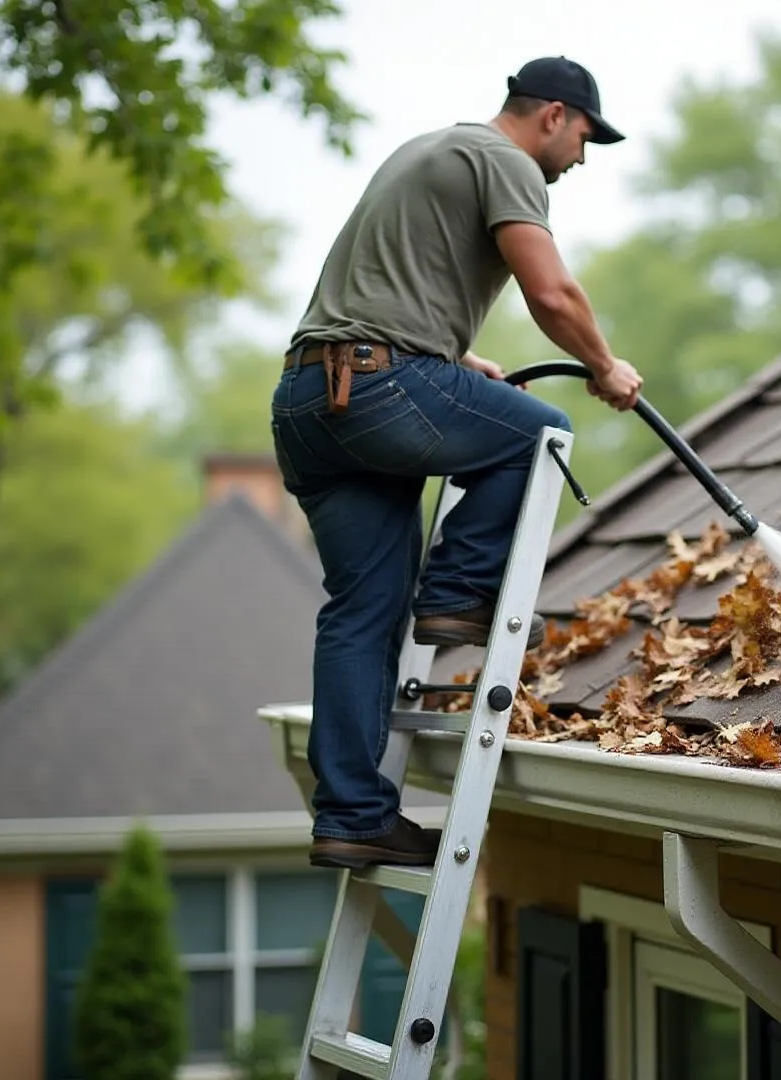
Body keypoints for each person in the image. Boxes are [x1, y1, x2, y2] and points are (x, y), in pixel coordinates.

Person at [269, 57, 644, 871]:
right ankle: (457, 594)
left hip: (308, 398)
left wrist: (456, 354)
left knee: (362, 614)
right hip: (379, 388)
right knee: (540, 433)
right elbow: (553, 296)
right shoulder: (508, 163)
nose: (580, 158)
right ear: (552, 115)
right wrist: (605, 366)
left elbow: (379, 286)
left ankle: (353, 816)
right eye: (584, 137)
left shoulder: (426, 151)